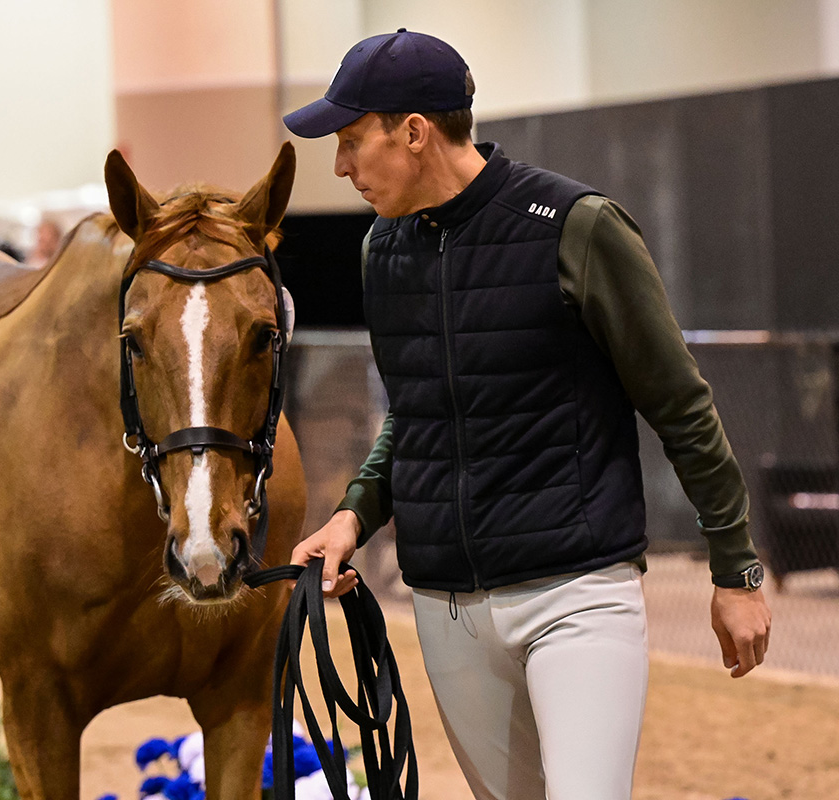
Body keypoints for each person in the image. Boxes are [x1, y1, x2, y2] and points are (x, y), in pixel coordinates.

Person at [283, 29, 772, 800]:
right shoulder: (383, 251)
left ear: (414, 133)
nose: (341, 166)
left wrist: (735, 569)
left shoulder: (576, 226)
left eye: (350, 141)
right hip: (445, 606)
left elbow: (680, 406)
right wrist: (354, 514)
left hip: (576, 592)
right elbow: (414, 415)